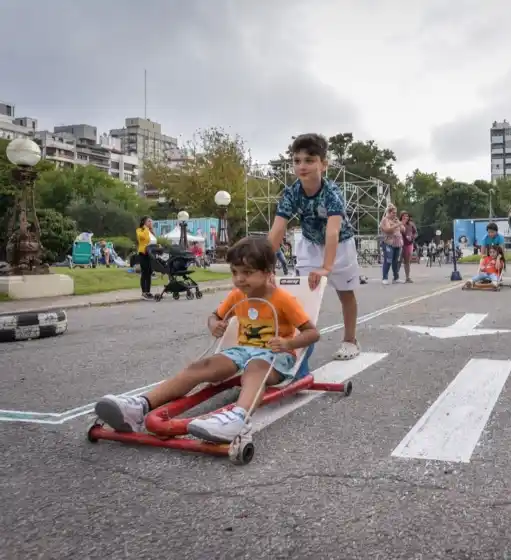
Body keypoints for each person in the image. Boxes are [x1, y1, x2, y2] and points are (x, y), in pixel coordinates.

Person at [92, 237, 320, 443]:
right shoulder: (237, 295)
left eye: (247, 273)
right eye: (234, 272)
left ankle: (238, 419)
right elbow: (215, 316)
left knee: (254, 369)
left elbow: (312, 333)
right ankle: (140, 406)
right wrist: (215, 325)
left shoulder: (283, 300)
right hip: (243, 351)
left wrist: (288, 344)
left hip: (275, 356)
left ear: (268, 270)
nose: (239, 279)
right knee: (199, 366)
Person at [268, 133, 361, 360]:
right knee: (302, 294)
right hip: (310, 244)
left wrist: (327, 267)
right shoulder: (291, 193)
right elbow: (278, 228)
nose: (302, 166)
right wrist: (265, 265)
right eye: (297, 161)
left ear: (323, 164)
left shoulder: (332, 193)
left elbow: (333, 231)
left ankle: (350, 340)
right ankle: (295, 345)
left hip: (339, 245)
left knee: (345, 293)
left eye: (309, 160)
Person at [379, 204, 403, 285]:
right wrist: (397, 225)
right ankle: (385, 278)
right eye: (393, 213)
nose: (395, 214)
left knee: (395, 261)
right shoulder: (385, 220)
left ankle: (396, 278)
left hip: (397, 243)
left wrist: (399, 223)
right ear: (389, 212)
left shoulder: (395, 220)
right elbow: (387, 230)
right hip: (388, 243)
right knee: (388, 260)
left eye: (396, 213)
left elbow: (403, 229)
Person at [135, 216, 157, 301]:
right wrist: (146, 228)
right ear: (144, 222)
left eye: (151, 221)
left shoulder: (151, 231)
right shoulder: (140, 230)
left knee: (149, 272)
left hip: (150, 254)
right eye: (149, 221)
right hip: (143, 253)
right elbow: (142, 237)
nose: (151, 223)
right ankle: (144, 292)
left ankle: (148, 291)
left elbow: (154, 241)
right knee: (144, 272)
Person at [400, 211, 418, 283]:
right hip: (400, 244)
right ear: (401, 217)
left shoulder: (411, 224)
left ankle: (407, 277)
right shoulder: (399, 224)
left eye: (407, 216)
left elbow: (416, 233)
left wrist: (412, 237)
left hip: (409, 244)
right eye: (404, 216)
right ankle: (396, 276)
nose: (405, 217)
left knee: (407, 261)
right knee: (398, 261)